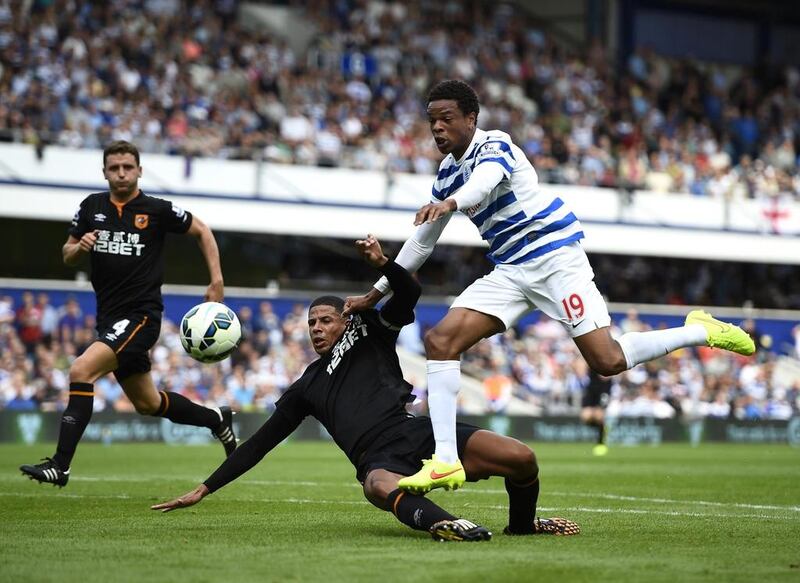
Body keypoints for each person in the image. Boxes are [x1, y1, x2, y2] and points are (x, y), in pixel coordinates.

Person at [344, 79, 756, 494]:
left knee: (607, 361)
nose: (437, 128)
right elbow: (421, 242)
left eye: (446, 119)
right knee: (442, 341)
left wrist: (450, 204)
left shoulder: (495, 146)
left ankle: (700, 329)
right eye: (432, 120)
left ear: (471, 118)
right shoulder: (447, 175)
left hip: (556, 259)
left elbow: (484, 183)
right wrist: (375, 292)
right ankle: (447, 461)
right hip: (511, 270)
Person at [151, 235, 580, 542]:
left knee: (522, 458)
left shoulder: (371, 331)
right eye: (311, 324)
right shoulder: (306, 387)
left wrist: (383, 266)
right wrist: (206, 487)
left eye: (325, 321)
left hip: (421, 433)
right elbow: (259, 444)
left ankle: (523, 527)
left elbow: (409, 290)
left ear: (345, 320)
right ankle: (445, 523)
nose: (317, 329)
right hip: (376, 458)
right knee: (376, 486)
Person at [20, 140, 237, 488]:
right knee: (148, 403)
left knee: (80, 369)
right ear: (104, 172)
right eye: (114, 168)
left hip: (142, 317)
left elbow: (203, 231)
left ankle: (60, 465)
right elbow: (67, 253)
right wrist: (79, 248)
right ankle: (216, 419)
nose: (121, 173)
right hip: (110, 318)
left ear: (139, 170)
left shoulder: (155, 209)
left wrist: (217, 279)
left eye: (127, 167)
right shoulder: (91, 207)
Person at [580, 370, 613, 456]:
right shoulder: (591, 368)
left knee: (598, 415)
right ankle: (602, 428)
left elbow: (607, 376)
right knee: (585, 416)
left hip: (603, 389)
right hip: (591, 390)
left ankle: (600, 442)